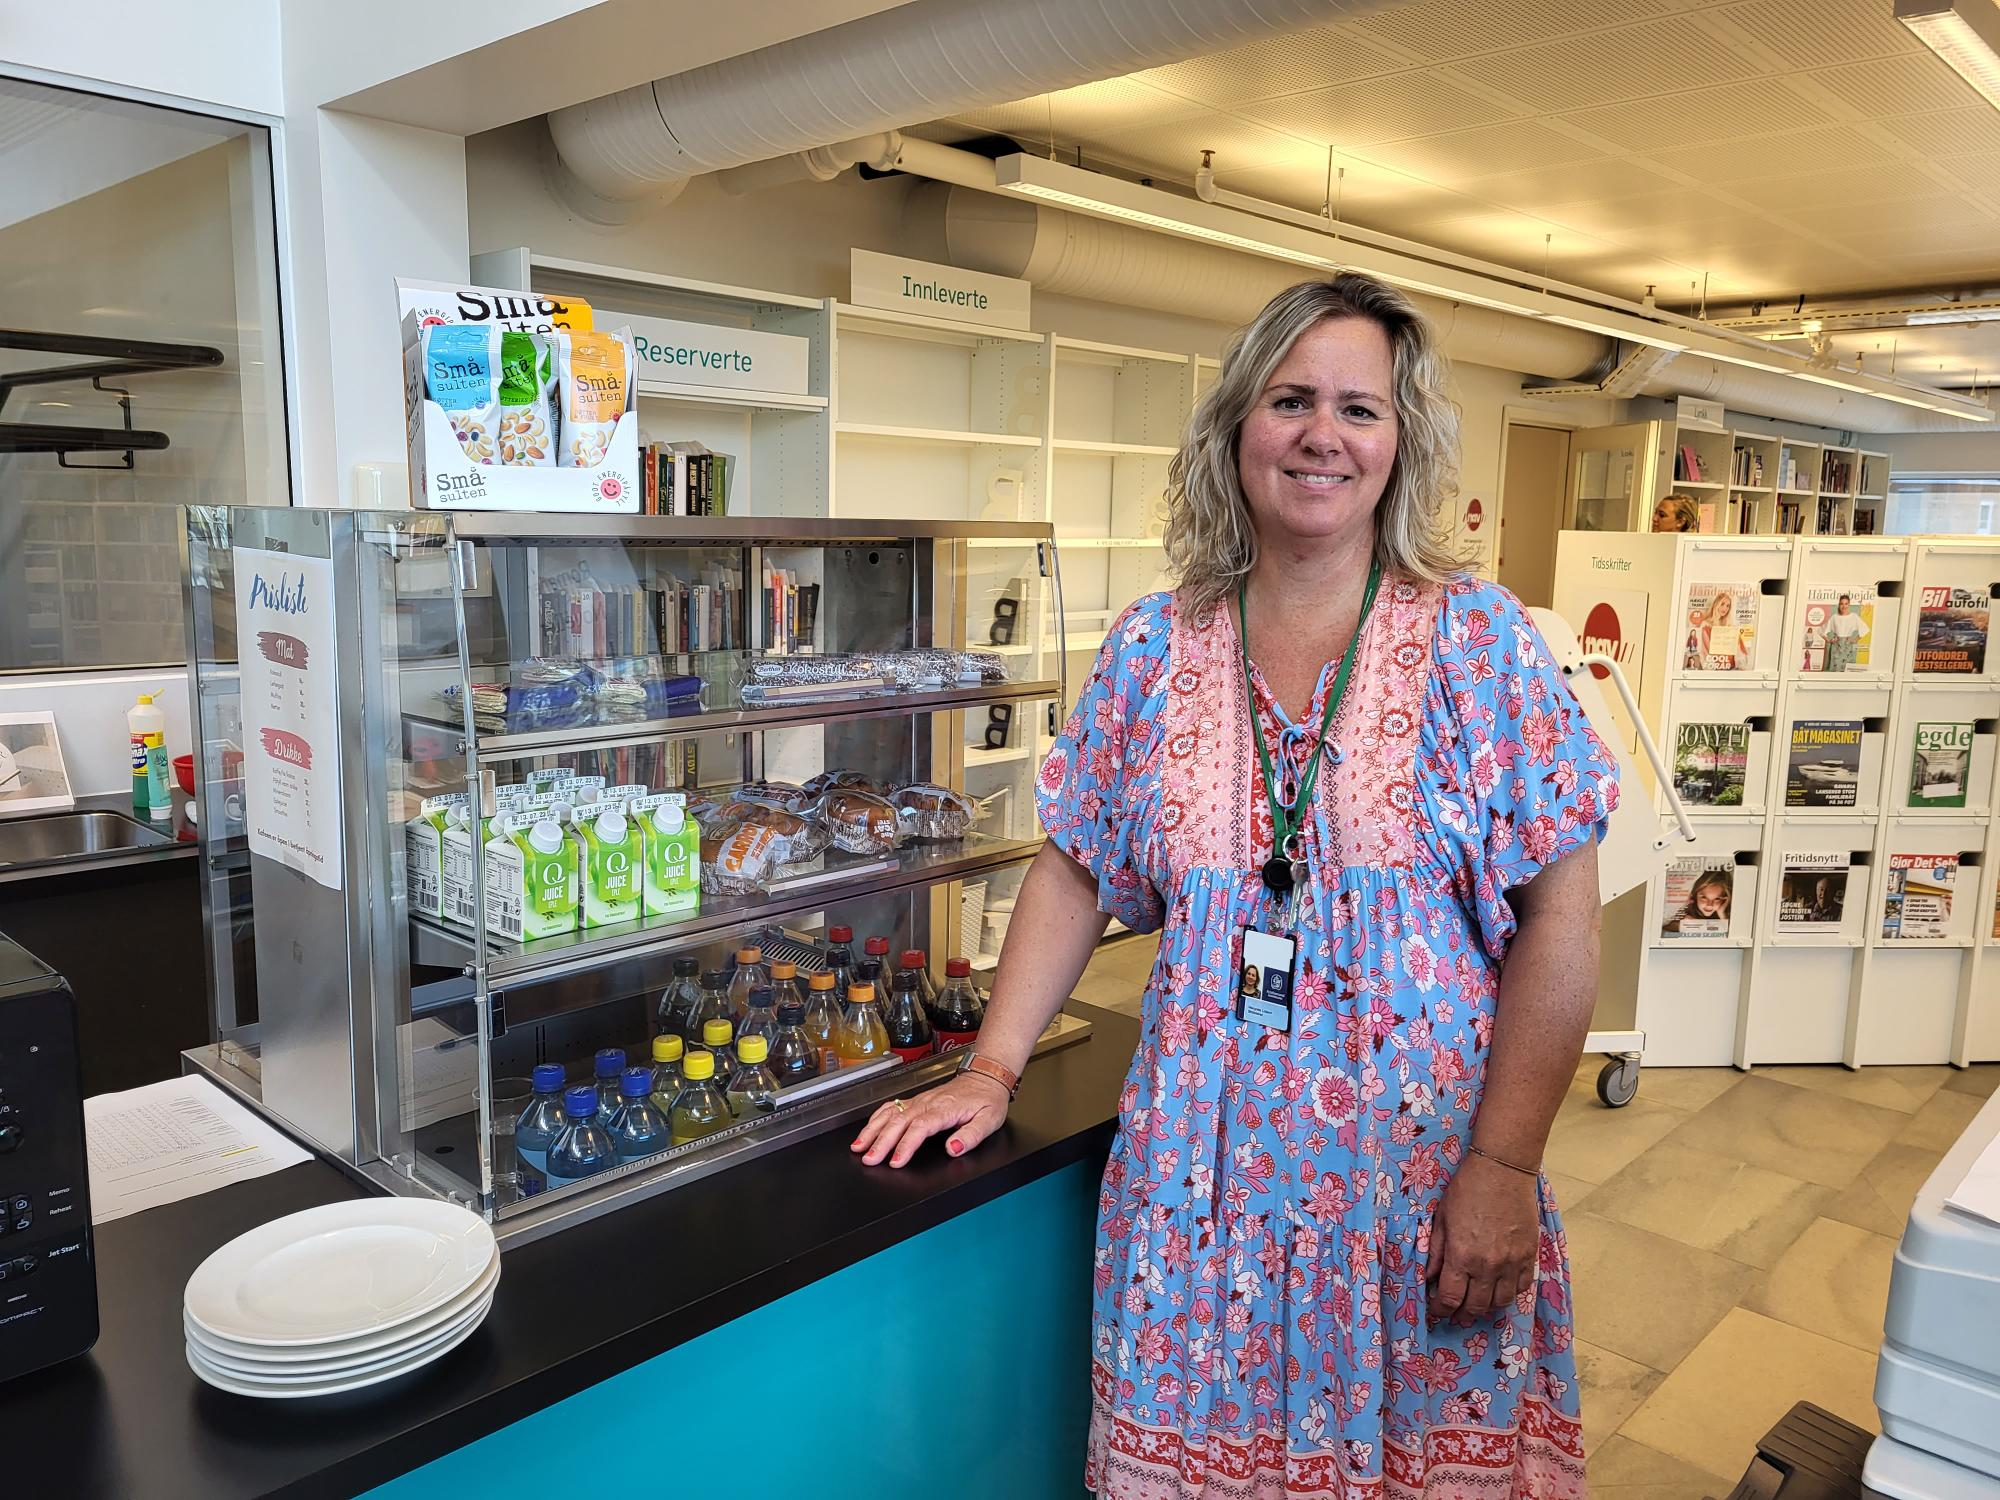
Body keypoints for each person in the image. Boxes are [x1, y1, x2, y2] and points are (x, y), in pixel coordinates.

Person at [853, 274, 1617, 1499]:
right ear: (1235, 425)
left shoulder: (1477, 643)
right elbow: (1074, 865)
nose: (1322, 435)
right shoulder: (1154, 645)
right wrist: (991, 1067)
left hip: (1415, 1196)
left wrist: (1504, 1165)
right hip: (1197, 1202)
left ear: (1401, 442)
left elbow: (1560, 921)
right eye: (1290, 400)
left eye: (1359, 409)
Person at [1663, 868, 1732, 934]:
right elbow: (1666, 926)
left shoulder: (1726, 915)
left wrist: (1722, 915)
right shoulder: (1687, 907)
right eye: (1704, 897)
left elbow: (1729, 933)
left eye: (1717, 899)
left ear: (1725, 899)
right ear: (1695, 895)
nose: (1709, 905)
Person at [1823, 593, 1868, 672]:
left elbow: (1865, 629)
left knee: (1847, 670)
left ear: (1849, 604)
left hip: (1848, 647)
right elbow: (1822, 630)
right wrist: (1829, 640)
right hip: (1836, 647)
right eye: (1841, 604)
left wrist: (1855, 639)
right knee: (1835, 671)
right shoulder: (1834, 617)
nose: (1844, 606)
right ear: (1839, 605)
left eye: (1846, 603)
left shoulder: (1854, 616)